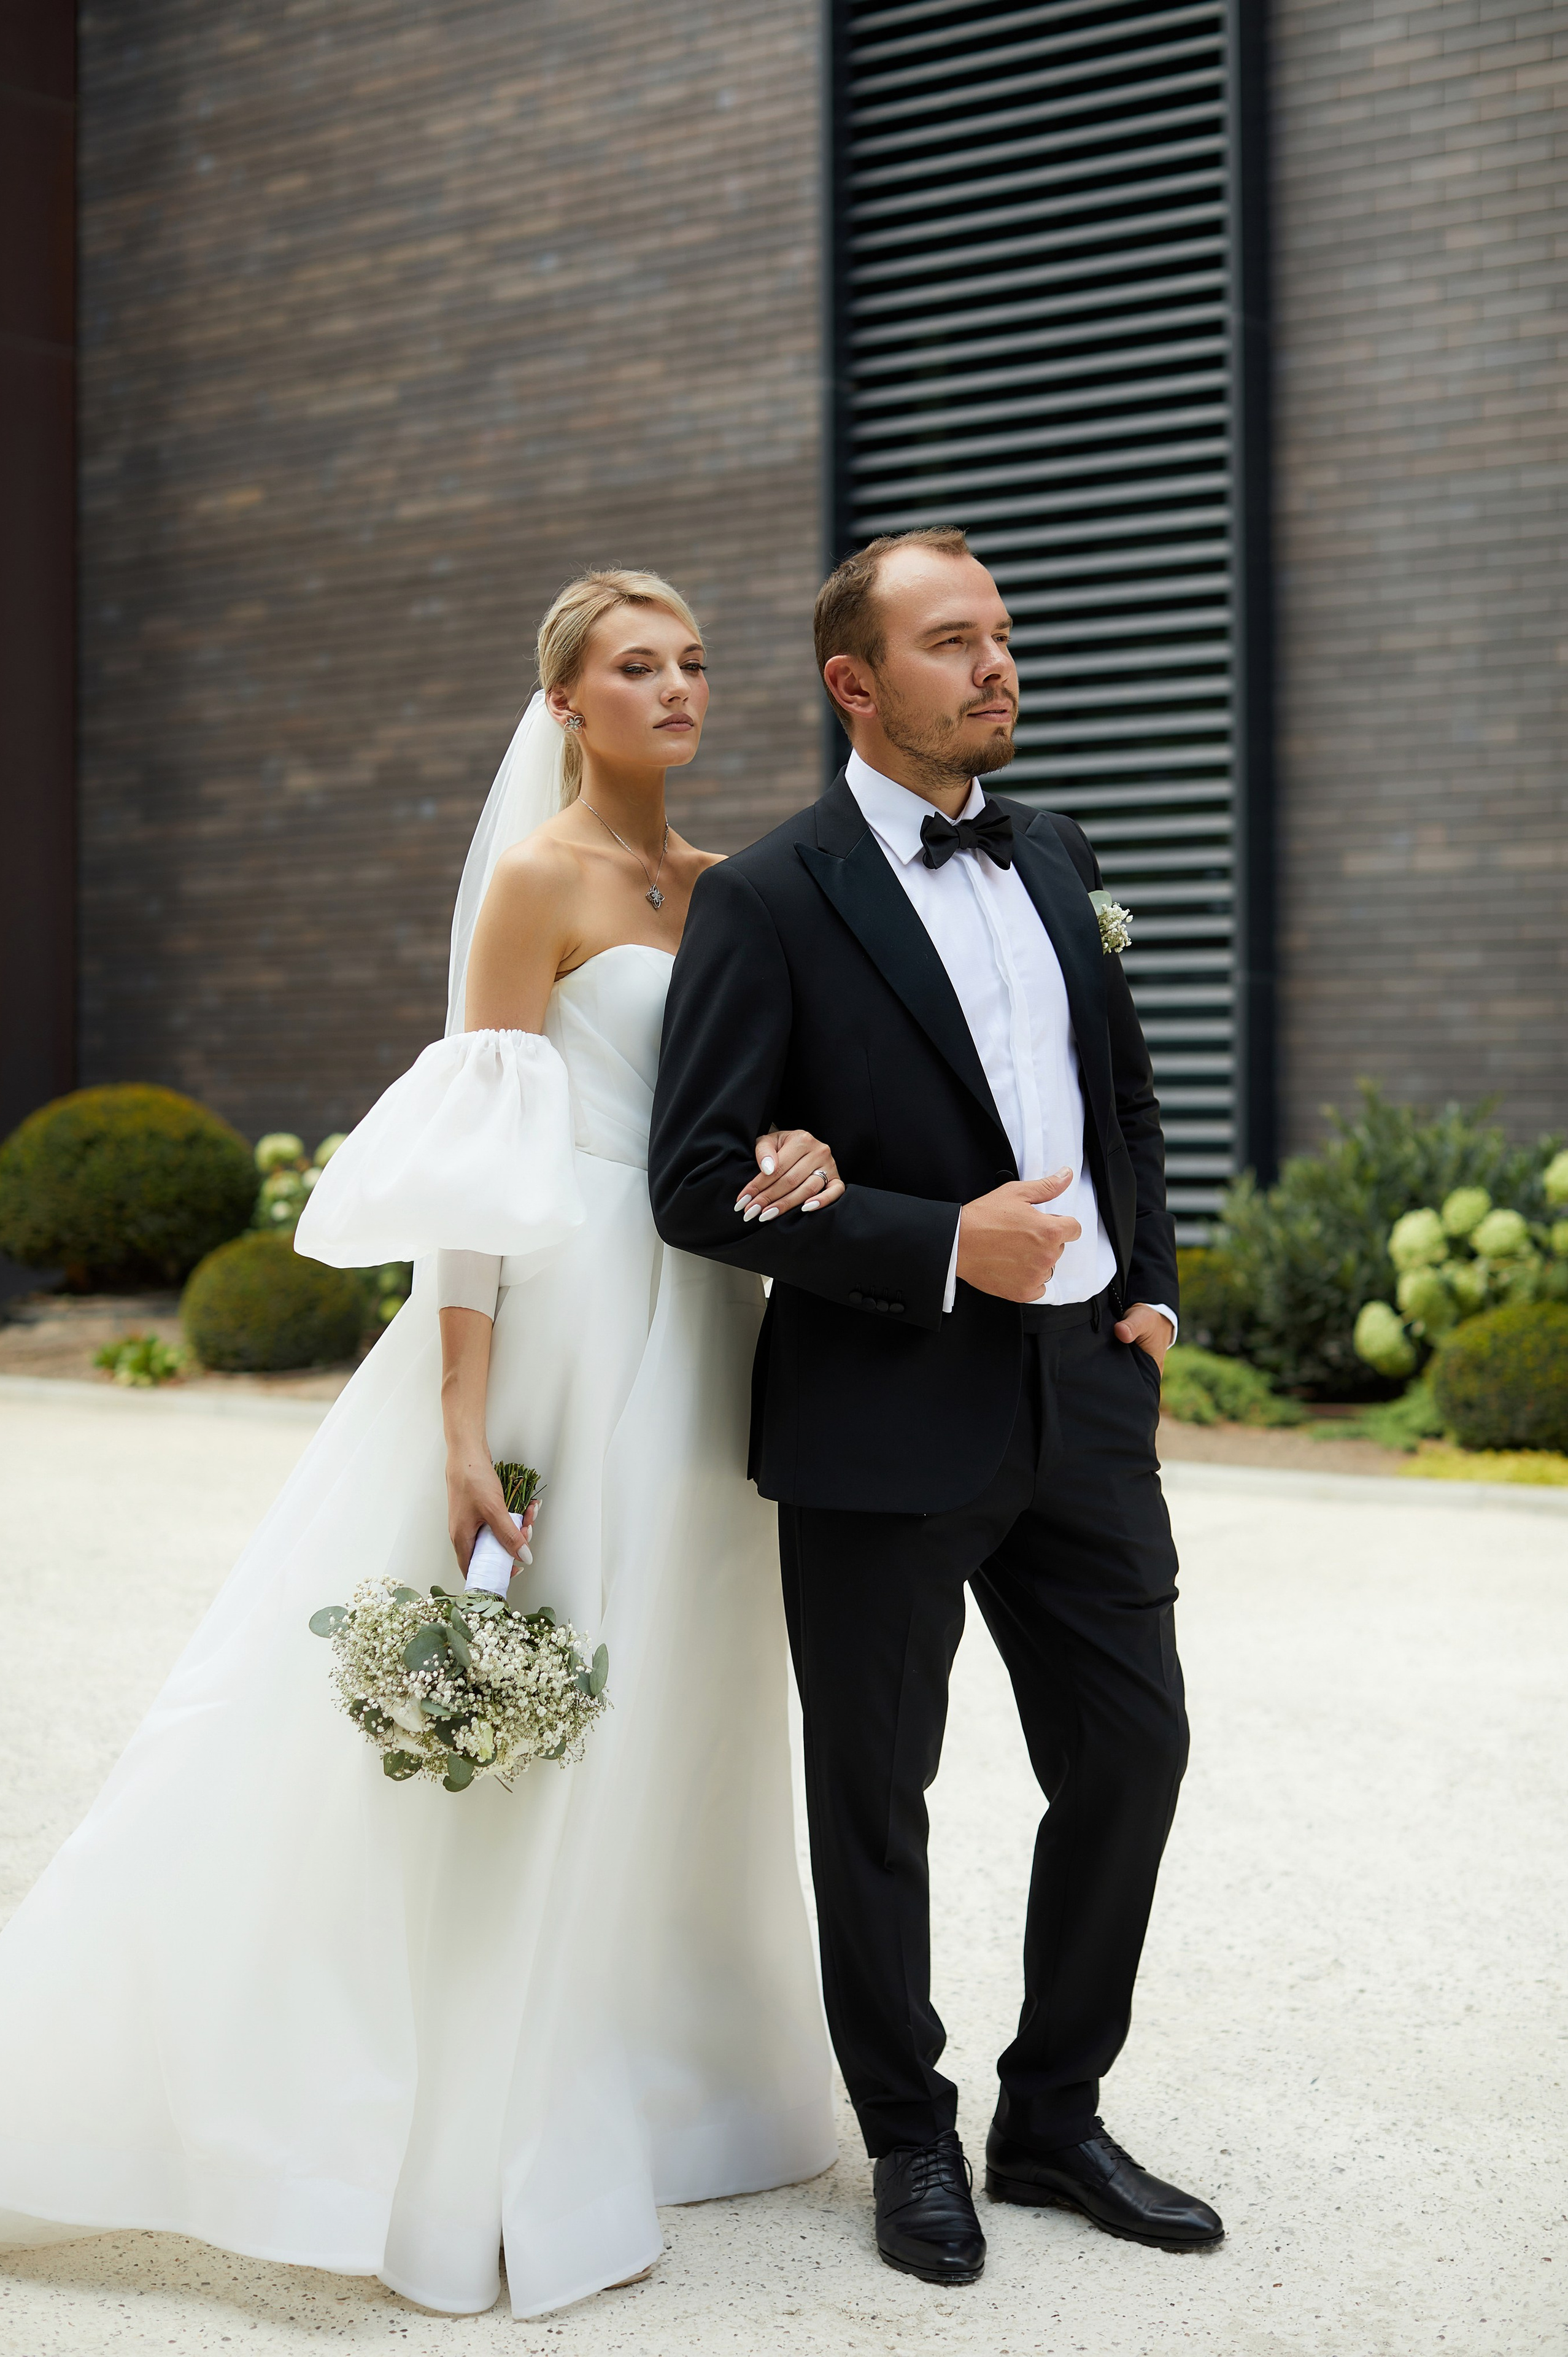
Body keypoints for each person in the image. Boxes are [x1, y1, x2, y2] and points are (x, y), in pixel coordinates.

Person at [0, 570, 839, 2318]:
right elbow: (477, 1160)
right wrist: (464, 1414)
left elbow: (758, 1110)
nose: (678, 688)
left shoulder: (735, 887)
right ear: (566, 704)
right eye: (636, 665)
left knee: (685, 1691)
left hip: (721, 1328)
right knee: (555, 1680)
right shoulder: (537, 884)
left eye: (693, 663)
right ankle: (483, 2110)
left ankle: (674, 2071)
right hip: (572, 1321)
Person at [649, 526, 1223, 2286]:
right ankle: (912, 2140)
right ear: (856, 683)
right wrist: (930, 1242)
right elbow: (689, 1178)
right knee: (876, 1795)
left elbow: (1116, 1087)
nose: (998, 667)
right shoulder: (769, 895)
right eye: (953, 642)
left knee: (1134, 1749)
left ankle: (1054, 2117)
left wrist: (1149, 1282)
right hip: (881, 1414)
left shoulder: (1059, 853)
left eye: (1002, 634)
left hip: (1082, 1402)